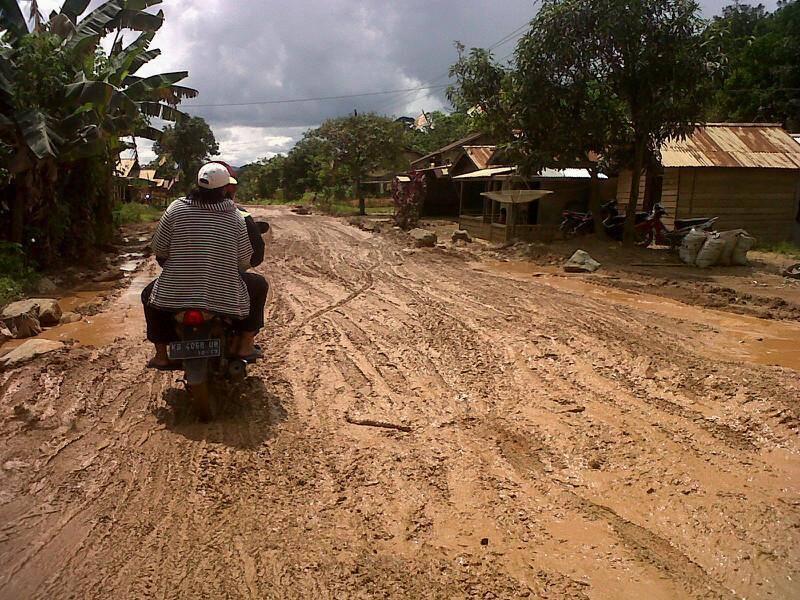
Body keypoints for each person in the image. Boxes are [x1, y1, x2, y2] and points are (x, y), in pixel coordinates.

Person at [141, 162, 268, 368]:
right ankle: (245, 345)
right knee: (259, 284)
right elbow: (244, 259)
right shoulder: (236, 216)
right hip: (224, 296)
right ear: (225, 188)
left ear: (198, 184)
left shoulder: (176, 208)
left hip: (175, 294)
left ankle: (161, 355)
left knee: (148, 295)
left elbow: (159, 247)